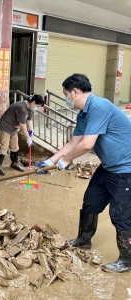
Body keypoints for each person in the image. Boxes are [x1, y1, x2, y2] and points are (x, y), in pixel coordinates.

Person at [35, 73, 131, 273]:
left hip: (125, 169)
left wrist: (66, 160)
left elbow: (87, 145)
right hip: (108, 167)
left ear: (75, 92)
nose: (65, 98)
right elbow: (74, 142)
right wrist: (51, 161)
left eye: (65, 94)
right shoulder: (83, 114)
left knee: (120, 214)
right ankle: (83, 240)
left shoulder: (100, 107)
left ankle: (127, 259)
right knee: (90, 201)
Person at [0, 94, 44, 176]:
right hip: (5, 127)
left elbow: (29, 120)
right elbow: (22, 126)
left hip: (13, 128)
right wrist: (28, 138)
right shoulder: (22, 108)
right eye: (37, 106)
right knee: (4, 147)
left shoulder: (30, 108)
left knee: (14, 146)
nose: (37, 108)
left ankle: (14, 163)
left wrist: (31, 129)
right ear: (33, 102)